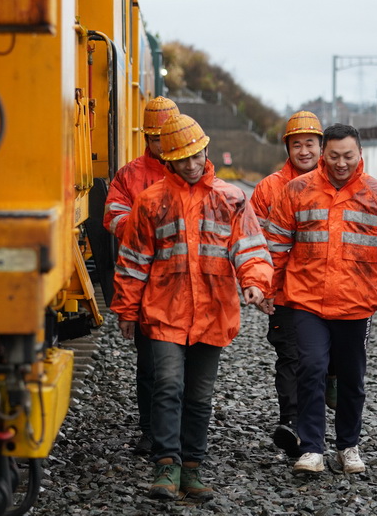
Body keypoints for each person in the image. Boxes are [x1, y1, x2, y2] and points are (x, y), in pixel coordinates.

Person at [111, 114, 272, 501]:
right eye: (182, 158)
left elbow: (250, 249)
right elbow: (133, 261)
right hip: (164, 311)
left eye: (196, 155)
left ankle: (193, 468)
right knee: (168, 385)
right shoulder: (151, 202)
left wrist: (254, 283)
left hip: (213, 313)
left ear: (205, 150)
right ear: (168, 160)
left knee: (200, 394)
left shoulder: (230, 199)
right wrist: (128, 311)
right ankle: (167, 464)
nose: (191, 164)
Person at [264, 123, 377, 475]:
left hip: (356, 303)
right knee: (311, 369)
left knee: (351, 378)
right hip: (306, 301)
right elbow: (275, 246)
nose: (341, 163)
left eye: (348, 156)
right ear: (324, 155)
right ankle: (311, 450)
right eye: (334, 156)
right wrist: (267, 289)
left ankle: (348, 446)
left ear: (360, 154)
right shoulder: (297, 190)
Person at [249, 110, 330, 459]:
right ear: (288, 148)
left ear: (321, 146)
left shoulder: (337, 184)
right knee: (290, 358)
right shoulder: (269, 187)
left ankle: (316, 425)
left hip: (329, 291)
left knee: (327, 361)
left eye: (310, 144)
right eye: (297, 145)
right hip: (284, 290)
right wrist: (262, 287)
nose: (304, 151)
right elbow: (252, 239)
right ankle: (293, 426)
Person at [103, 95, 179, 455]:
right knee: (150, 365)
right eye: (155, 139)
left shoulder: (192, 169)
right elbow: (112, 216)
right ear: (145, 138)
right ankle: (151, 431)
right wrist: (146, 227)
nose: (161, 146)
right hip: (147, 286)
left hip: (184, 283)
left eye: (167, 137)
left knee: (185, 369)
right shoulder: (130, 175)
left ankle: (179, 432)